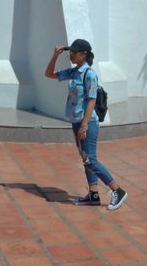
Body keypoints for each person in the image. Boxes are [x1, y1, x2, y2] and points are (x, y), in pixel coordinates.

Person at [44, 39, 128, 210]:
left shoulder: (89, 74)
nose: (71, 54)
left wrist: (84, 125)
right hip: (76, 121)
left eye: (74, 52)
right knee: (86, 159)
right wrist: (55, 56)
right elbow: (49, 74)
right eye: (70, 51)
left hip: (87, 122)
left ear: (84, 54)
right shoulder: (74, 72)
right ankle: (93, 194)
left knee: (90, 160)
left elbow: (91, 100)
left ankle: (117, 191)